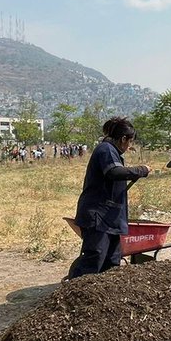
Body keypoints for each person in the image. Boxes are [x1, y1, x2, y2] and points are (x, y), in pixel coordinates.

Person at [66, 117, 151, 279]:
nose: (129, 146)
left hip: (110, 218)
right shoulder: (106, 149)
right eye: (129, 141)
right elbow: (114, 172)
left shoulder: (114, 152)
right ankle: (74, 296)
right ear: (123, 138)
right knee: (94, 259)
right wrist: (141, 170)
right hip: (99, 216)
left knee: (112, 261)